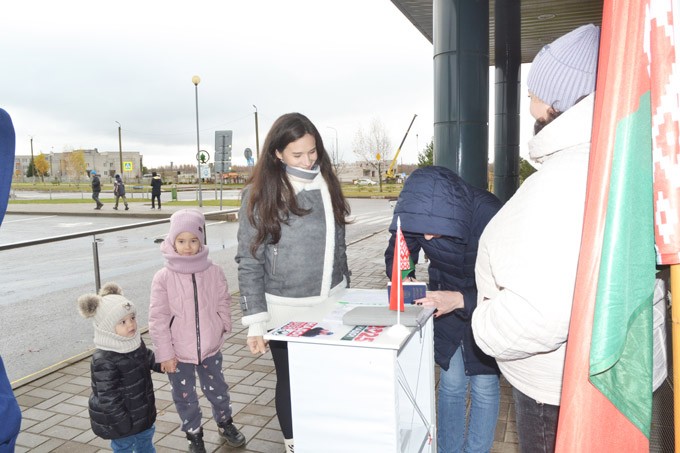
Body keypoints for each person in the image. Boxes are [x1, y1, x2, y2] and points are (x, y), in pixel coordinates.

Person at [471, 24, 600, 453]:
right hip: (582, 378)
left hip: (555, 389)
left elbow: (542, 314)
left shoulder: (566, 180)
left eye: (534, 91)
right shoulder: (598, 158)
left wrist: (483, 323)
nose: (528, 102)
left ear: (558, 100)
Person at [235, 112, 351, 453]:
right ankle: (295, 444)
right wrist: (255, 322)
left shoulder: (327, 183)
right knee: (290, 380)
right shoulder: (259, 194)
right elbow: (249, 259)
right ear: (277, 154)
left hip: (331, 302)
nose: (308, 160)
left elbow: (339, 247)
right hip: (285, 307)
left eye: (312, 151)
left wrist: (347, 289)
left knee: (327, 379)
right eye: (297, 154)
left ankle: (325, 437)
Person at [385, 165, 502, 452]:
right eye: (419, 229)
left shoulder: (489, 213)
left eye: (433, 231)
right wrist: (403, 276)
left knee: (484, 386)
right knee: (450, 383)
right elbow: (400, 253)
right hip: (442, 301)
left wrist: (462, 299)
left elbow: (509, 285)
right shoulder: (417, 212)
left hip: (484, 304)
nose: (424, 238)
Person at [149, 209, 246, 452]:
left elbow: (223, 299)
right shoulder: (163, 277)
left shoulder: (213, 271)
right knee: (185, 396)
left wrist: (223, 323)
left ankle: (226, 423)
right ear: (172, 242)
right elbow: (158, 318)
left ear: (201, 240)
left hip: (210, 348)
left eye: (194, 240)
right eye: (181, 241)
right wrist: (165, 354)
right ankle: (194, 434)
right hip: (178, 352)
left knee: (218, 390)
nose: (188, 246)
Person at [77, 282, 161, 453]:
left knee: (146, 443)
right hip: (121, 423)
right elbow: (108, 397)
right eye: (122, 321)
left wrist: (163, 363)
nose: (131, 325)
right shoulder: (104, 359)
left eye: (132, 318)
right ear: (108, 327)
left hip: (143, 413)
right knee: (124, 448)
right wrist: (122, 423)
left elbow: (148, 357)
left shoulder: (135, 342)